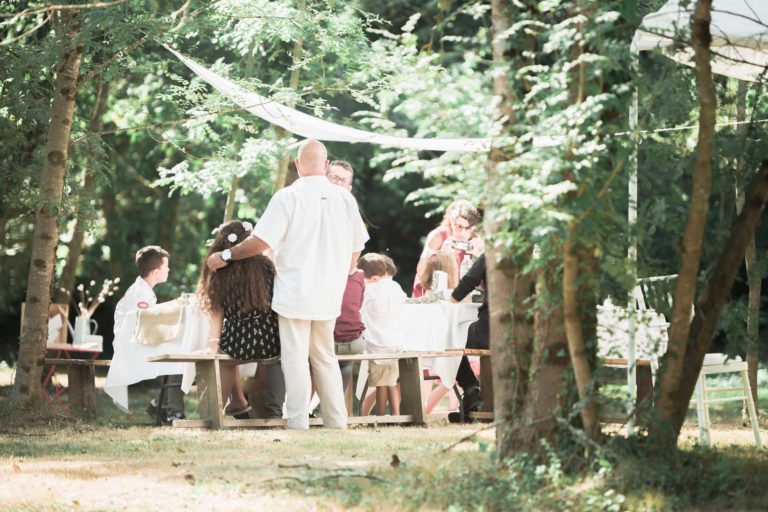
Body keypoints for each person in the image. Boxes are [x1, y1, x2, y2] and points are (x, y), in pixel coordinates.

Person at [207, 139, 369, 430]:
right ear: (326, 164)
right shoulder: (345, 199)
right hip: (329, 292)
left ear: (297, 165)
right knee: (324, 357)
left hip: (295, 291)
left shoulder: (287, 196)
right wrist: (341, 273)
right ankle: (337, 422)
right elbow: (357, 246)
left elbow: (260, 242)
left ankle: (298, 422)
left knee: (295, 358)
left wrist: (226, 255)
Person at [197, 220, 280, 415]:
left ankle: (213, 414)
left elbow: (217, 311)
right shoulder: (266, 265)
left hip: (238, 339)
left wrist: (213, 344)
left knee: (227, 361)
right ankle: (246, 402)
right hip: (271, 340)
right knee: (269, 363)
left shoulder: (221, 269)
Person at [113, 245, 183, 424]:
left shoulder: (143, 290)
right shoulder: (140, 295)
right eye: (166, 266)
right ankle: (173, 411)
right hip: (130, 347)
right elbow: (146, 326)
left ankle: (159, 406)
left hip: (136, 342)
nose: (169, 269)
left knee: (180, 354)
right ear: (155, 272)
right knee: (179, 357)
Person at [328, 159, 366, 397]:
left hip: (337, 286)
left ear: (349, 187)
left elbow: (358, 244)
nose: (338, 183)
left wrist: (347, 269)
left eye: (343, 180)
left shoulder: (349, 207)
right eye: (334, 177)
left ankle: (326, 408)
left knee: (345, 351)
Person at [357, 253, 406, 416]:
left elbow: (360, 313)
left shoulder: (369, 291)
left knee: (380, 384)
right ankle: (396, 414)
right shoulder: (396, 287)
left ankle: (379, 416)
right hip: (396, 342)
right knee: (391, 382)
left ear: (374, 278)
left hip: (377, 343)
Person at [413, 200, 482, 297]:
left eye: (468, 228)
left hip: (455, 295)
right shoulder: (439, 235)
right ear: (451, 223)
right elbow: (421, 268)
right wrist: (441, 256)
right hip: (428, 293)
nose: (463, 232)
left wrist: (480, 256)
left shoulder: (475, 239)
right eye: (459, 226)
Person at [449, 253, 488, 423]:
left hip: (490, 331)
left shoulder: (494, 249)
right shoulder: (536, 248)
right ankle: (472, 397)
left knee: (450, 335)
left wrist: (451, 300)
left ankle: (470, 386)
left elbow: (469, 279)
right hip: (524, 327)